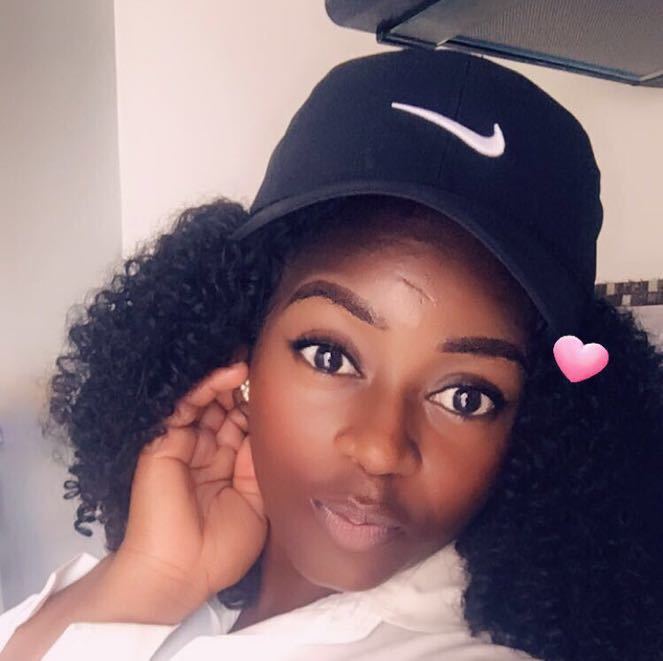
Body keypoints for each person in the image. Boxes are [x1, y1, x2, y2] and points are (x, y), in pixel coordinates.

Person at [1, 48, 661, 661]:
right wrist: (149, 579)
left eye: (466, 396)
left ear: (535, 431)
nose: (379, 448)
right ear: (242, 353)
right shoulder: (172, 573)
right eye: (330, 356)